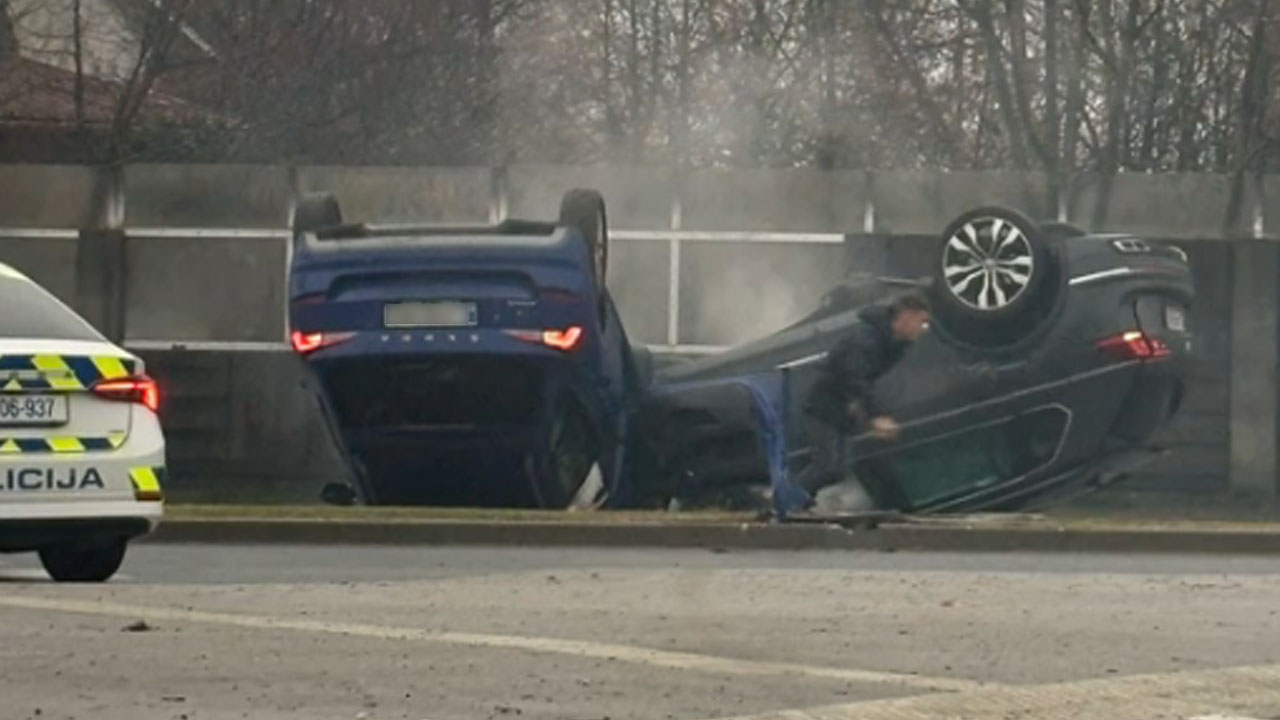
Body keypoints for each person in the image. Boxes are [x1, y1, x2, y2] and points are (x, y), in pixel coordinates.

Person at [793, 291, 931, 511]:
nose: (924, 329)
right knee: (826, 465)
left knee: (837, 469)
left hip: (841, 409)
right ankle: (787, 502)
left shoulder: (893, 343)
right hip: (823, 407)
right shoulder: (868, 338)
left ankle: (797, 501)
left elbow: (864, 380)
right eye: (921, 321)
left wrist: (862, 409)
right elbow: (854, 376)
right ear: (906, 316)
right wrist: (876, 416)